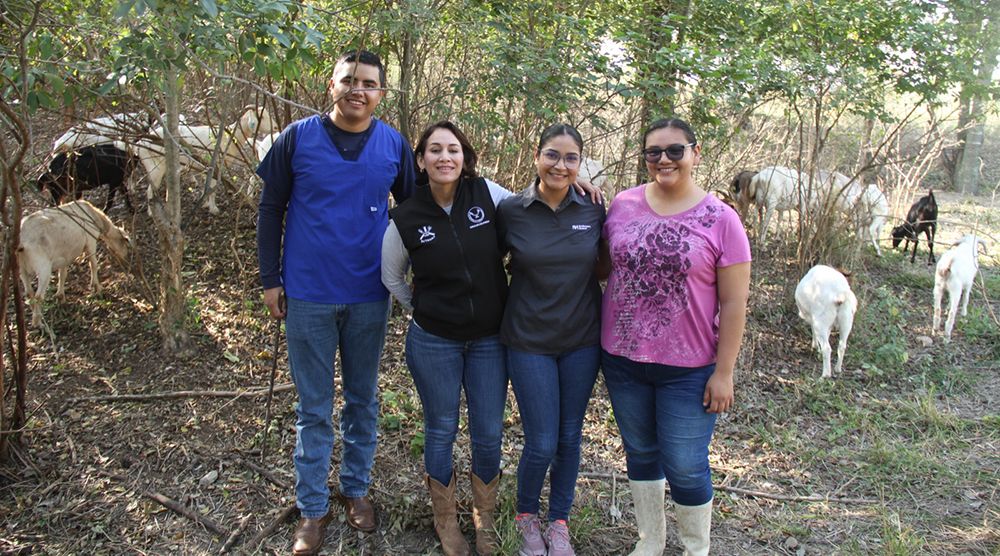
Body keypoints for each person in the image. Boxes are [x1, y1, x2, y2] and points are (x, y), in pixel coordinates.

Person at [256, 49, 416, 556]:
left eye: (368, 83)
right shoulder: (296, 138)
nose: (357, 90)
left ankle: (355, 489)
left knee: (364, 400)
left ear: (381, 94)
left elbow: (416, 212)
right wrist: (269, 278)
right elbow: (271, 207)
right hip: (307, 294)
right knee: (314, 406)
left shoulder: (393, 144)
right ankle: (311, 508)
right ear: (331, 86)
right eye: (348, 81)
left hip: (371, 295)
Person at [599, 117, 751, 556]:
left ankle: (694, 548)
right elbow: (602, 266)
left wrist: (725, 372)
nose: (663, 160)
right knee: (641, 452)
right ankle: (650, 542)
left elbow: (735, 303)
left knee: (685, 465)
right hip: (623, 359)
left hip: (690, 368)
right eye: (653, 152)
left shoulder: (722, 219)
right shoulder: (622, 205)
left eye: (675, 150)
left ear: (695, 153)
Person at [380, 121, 512, 556]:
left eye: (453, 149)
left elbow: (533, 212)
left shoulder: (488, 195)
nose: (444, 157)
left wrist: (578, 187)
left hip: (491, 339)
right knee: (441, 429)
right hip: (434, 340)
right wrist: (421, 308)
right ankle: (446, 522)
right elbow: (391, 276)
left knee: (488, 432)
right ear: (421, 160)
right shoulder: (406, 215)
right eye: (434, 150)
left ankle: (484, 520)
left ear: (465, 157)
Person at [496, 123, 607, 556]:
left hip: (582, 340)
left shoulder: (595, 209)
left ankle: (558, 521)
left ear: (581, 163)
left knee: (569, 438)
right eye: (552, 155)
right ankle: (527, 516)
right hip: (528, 339)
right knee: (540, 441)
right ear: (536, 156)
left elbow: (604, 268)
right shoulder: (511, 210)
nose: (560, 165)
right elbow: (488, 263)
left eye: (570, 158)